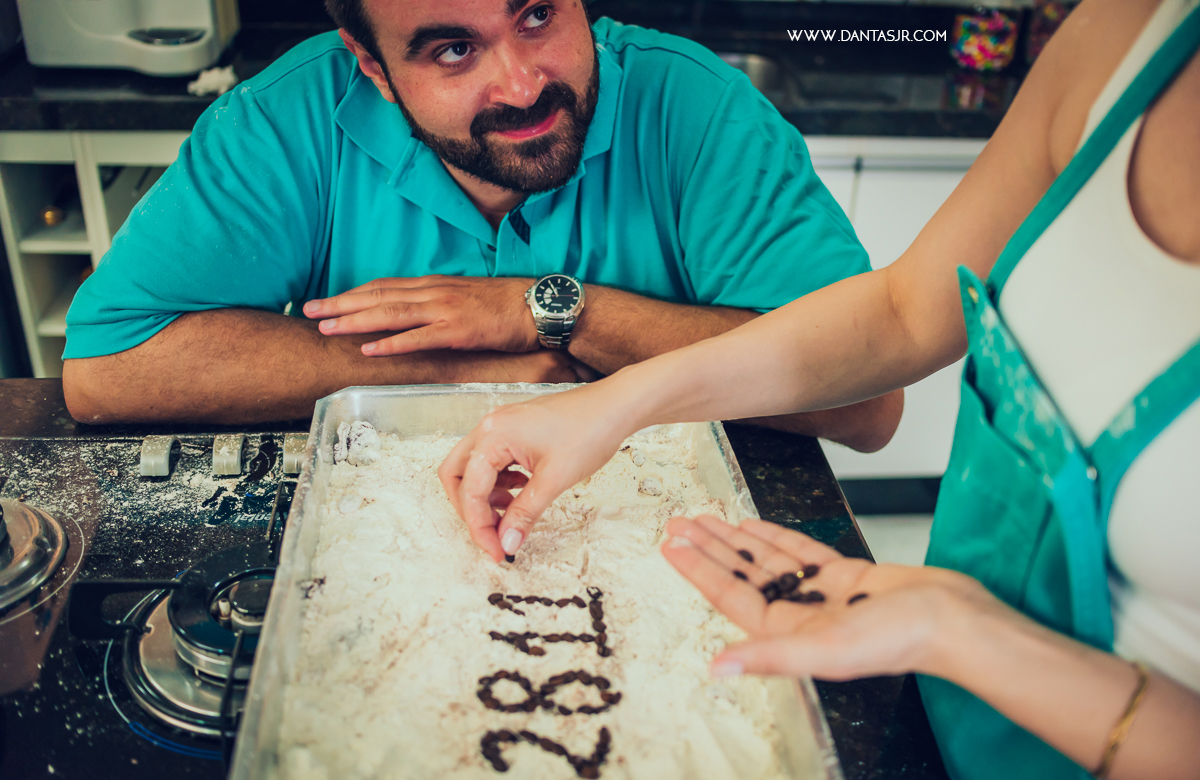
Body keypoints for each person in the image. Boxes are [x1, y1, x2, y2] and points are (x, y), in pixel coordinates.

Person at [439, 0, 1200, 780]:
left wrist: (970, 635)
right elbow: (902, 313)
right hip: (954, 716)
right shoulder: (1119, 40)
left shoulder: (694, 106)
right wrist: (619, 402)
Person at [57, 0, 901, 446]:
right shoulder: (284, 122)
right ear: (374, 68)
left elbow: (867, 403)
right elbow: (105, 369)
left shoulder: (701, 110)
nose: (524, 85)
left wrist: (552, 312)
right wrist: (454, 371)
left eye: (537, 15)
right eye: (453, 50)